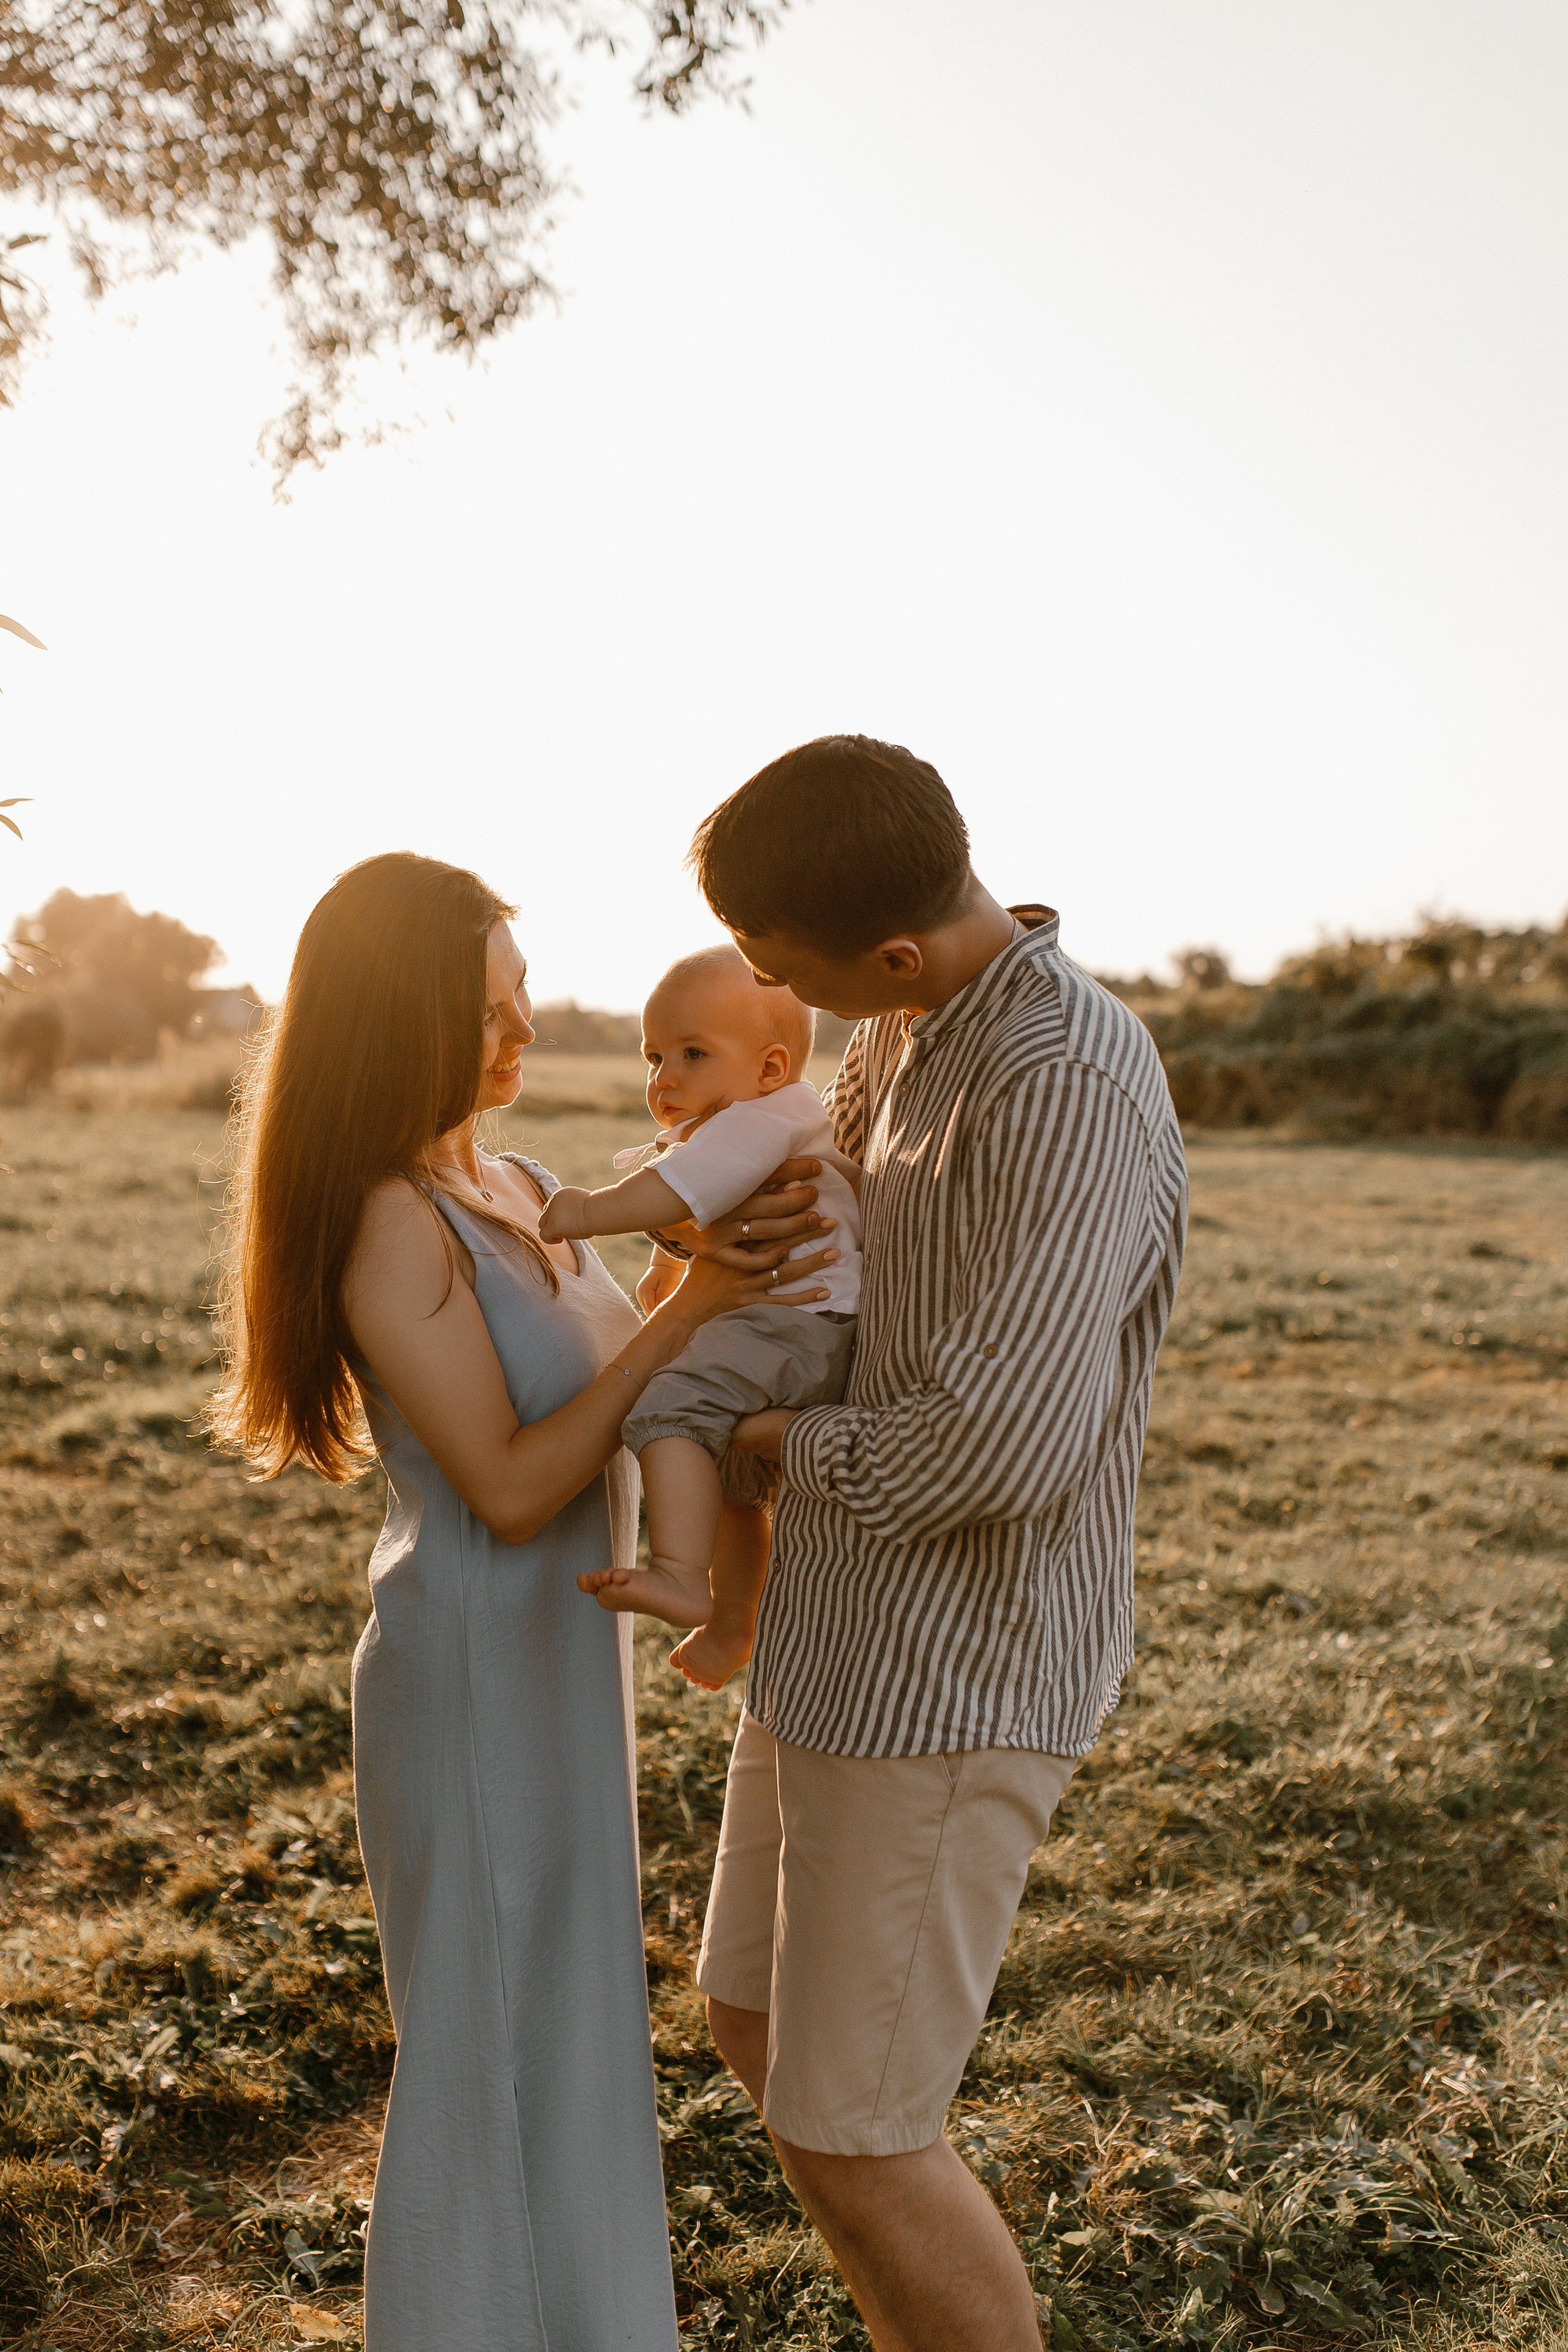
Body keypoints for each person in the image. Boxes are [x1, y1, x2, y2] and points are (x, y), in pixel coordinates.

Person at [211, 852, 838, 2352]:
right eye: (484, 1010)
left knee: (564, 2030)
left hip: (559, 1655)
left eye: (519, 997)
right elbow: (505, 1478)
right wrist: (683, 1300)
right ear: (394, 1019)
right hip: (475, 1661)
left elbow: (652, 1390)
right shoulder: (385, 1217)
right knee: (487, 2038)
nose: (521, 1032)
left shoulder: (502, 1184)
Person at [670, 737, 1188, 2352]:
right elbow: (856, 1292)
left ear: (891, 948)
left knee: (862, 2130)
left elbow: (1001, 1443)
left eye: (779, 970)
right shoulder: (897, 1032)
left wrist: (756, 1443)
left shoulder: (1063, 1081)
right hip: (835, 1634)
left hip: (953, 1678)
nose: (768, 992)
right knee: (750, 2021)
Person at [540, 943, 862, 1688]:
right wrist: (669, 1263)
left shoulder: (761, 1118)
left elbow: (678, 1191)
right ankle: (731, 1624)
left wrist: (588, 1211)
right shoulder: (760, 1116)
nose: (666, 1079)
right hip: (799, 1326)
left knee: (670, 1410)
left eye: (692, 1053)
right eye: (653, 1057)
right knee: (729, 1485)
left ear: (770, 1067)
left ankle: (683, 1575)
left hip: (799, 1325)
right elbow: (699, 1218)